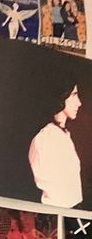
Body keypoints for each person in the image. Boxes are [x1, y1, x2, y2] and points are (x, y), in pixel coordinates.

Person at [28, 77, 82, 208]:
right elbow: (56, 194)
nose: (79, 103)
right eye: (74, 95)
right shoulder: (47, 138)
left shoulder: (61, 135)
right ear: (61, 95)